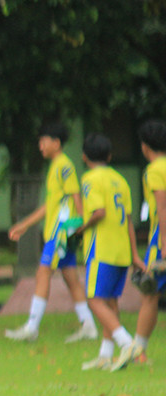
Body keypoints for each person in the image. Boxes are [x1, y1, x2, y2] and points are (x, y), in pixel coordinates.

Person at [6, 122, 98, 343]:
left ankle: (32, 327)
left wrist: (82, 225)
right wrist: (25, 224)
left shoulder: (64, 166)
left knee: (43, 273)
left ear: (56, 143)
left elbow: (76, 195)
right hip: (60, 231)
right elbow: (51, 205)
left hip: (62, 232)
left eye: (43, 141)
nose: (40, 146)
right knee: (70, 277)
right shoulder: (55, 166)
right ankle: (89, 326)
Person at [73, 133, 140, 370]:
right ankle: (106, 354)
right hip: (121, 248)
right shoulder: (120, 179)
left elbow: (98, 212)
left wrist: (81, 228)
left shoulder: (90, 178)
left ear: (84, 156)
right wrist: (134, 254)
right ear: (110, 156)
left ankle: (127, 342)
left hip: (101, 248)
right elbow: (129, 219)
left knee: (94, 299)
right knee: (110, 301)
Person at [110, 119, 166, 371]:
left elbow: (163, 208)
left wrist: (164, 244)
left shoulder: (155, 169)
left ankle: (137, 348)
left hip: (161, 235)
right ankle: (138, 347)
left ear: (145, 146)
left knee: (150, 292)